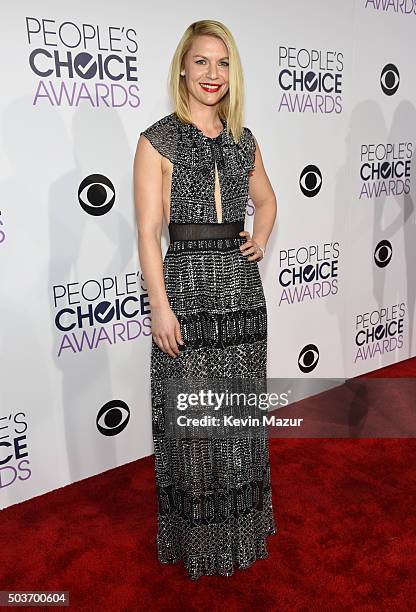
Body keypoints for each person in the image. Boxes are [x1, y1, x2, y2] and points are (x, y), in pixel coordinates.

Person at [134, 19, 278, 580]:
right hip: (187, 295)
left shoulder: (245, 141)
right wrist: (159, 306)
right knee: (193, 428)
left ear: (231, 71)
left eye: (222, 63)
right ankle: (198, 542)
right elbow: (148, 232)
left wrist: (260, 239)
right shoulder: (157, 140)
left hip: (242, 298)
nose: (211, 74)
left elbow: (266, 203)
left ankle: (241, 533)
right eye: (201, 62)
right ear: (182, 68)